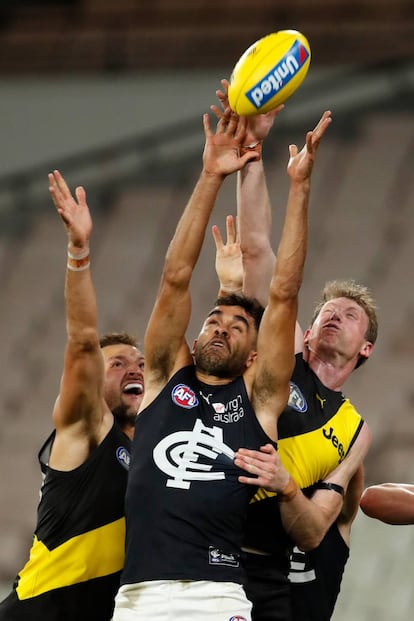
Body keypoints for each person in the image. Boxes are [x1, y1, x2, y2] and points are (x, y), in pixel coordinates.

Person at [112, 108, 331, 621]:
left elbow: (284, 291)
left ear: (255, 355)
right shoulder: (165, 373)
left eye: (237, 326)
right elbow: (175, 277)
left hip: (218, 595)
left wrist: (299, 189)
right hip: (137, 596)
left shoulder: (261, 398)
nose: (219, 327)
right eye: (214, 319)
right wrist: (211, 174)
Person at [212, 80, 376, 621]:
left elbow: (315, 528)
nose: (334, 315)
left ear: (366, 349)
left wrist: (288, 488)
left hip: (269, 569)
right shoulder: (283, 360)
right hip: (211, 542)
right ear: (306, 333)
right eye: (328, 311)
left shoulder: (353, 428)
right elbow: (260, 256)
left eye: (350, 316)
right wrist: (253, 158)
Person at [0, 170, 145, 621]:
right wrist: (79, 252)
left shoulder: (158, 453)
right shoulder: (87, 428)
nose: (134, 369)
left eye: (140, 364)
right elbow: (83, 341)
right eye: (118, 364)